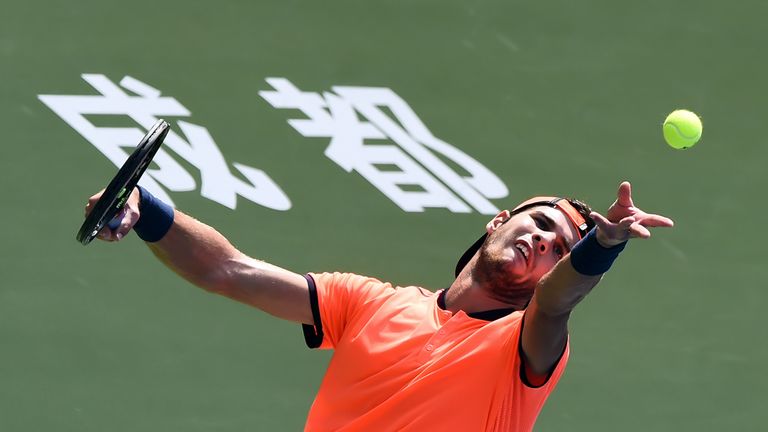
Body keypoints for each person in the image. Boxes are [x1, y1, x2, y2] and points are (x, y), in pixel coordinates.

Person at [85, 180, 673, 431]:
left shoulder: (525, 350)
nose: (544, 242)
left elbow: (556, 302)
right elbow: (227, 271)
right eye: (540, 223)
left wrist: (601, 248)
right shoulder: (369, 302)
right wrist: (145, 208)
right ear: (499, 221)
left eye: (560, 248)